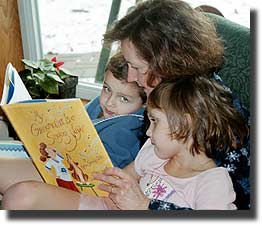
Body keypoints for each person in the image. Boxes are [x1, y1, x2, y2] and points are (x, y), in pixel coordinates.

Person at [1, 0, 250, 209]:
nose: (131, 78)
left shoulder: (213, 116)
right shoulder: (157, 93)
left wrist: (146, 205)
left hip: (128, 193)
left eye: (137, 67)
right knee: (17, 190)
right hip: (107, 182)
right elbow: (134, 168)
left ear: (169, 61)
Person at [2, 76, 248, 210]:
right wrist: (76, 167)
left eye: (154, 121)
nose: (148, 132)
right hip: (105, 209)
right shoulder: (154, 152)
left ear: (183, 125)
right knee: (21, 195)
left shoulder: (213, 182)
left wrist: (145, 207)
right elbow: (120, 179)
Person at [85, 52, 146, 168]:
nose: (109, 102)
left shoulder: (126, 133)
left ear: (144, 104)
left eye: (124, 99)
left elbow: (104, 169)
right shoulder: (100, 103)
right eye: (107, 89)